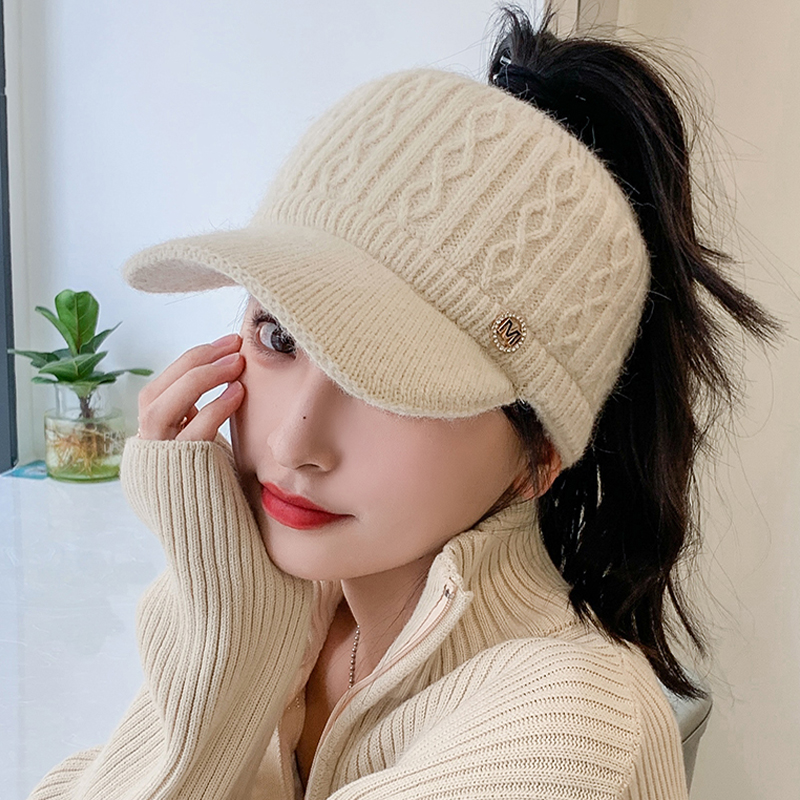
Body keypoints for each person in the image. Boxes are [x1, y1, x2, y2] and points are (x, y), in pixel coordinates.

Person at [29, 7, 777, 800]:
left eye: (394, 384)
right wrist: (217, 622)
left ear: (537, 456)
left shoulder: (566, 732)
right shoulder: (289, 600)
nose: (292, 443)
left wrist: (222, 652)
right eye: (279, 336)